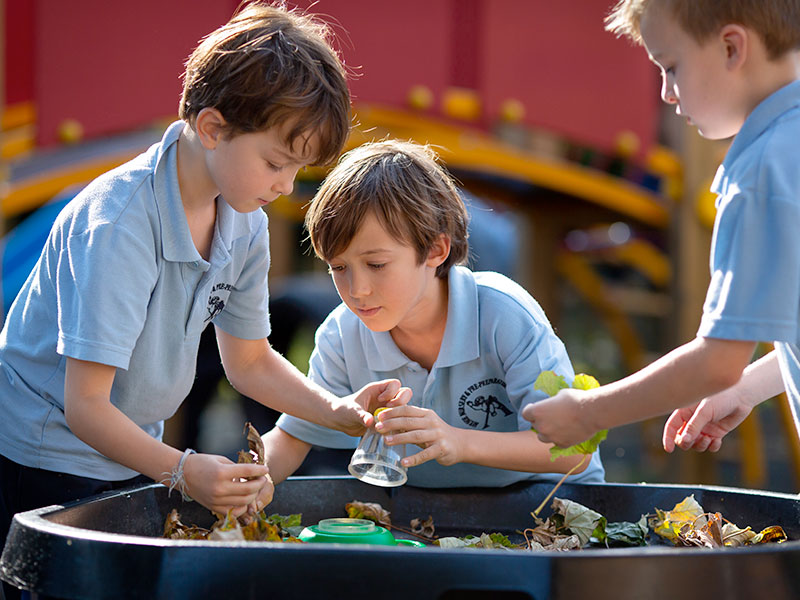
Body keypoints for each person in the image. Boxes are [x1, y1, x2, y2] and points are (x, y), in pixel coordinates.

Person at [0, 2, 409, 581]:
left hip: (132, 450)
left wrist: (337, 412)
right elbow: (85, 406)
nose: (285, 186)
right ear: (213, 128)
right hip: (44, 458)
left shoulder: (243, 220)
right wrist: (183, 469)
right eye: (275, 162)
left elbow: (248, 360)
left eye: (298, 170)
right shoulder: (120, 225)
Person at [522, 0, 800, 455]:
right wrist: (747, 387)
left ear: (732, 47)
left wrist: (586, 412)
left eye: (671, 67)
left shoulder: (761, 172)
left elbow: (716, 363)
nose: (667, 93)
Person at [260, 139, 605, 488]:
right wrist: (244, 484)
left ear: (436, 250)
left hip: (548, 511)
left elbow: (576, 448)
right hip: (429, 523)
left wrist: (459, 441)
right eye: (338, 267)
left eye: (376, 264)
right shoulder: (342, 336)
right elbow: (291, 438)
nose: (357, 289)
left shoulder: (504, 315)